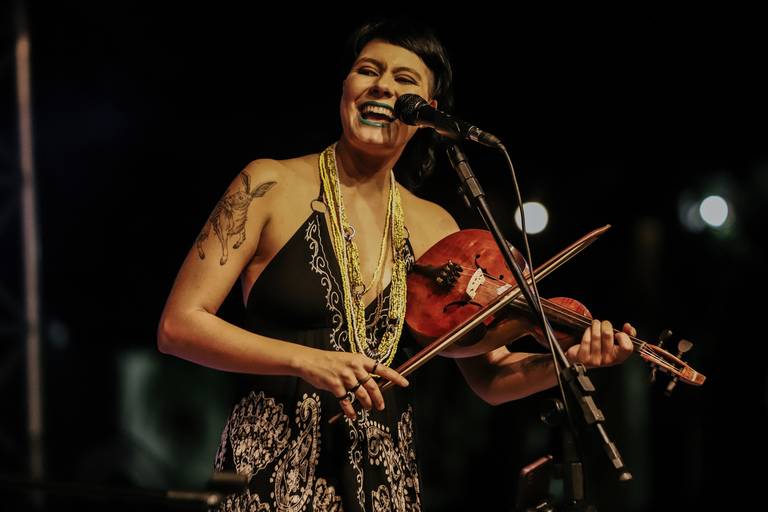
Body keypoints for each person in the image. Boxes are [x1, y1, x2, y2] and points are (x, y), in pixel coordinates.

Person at [157, 19, 634, 511]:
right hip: (267, 477)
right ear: (346, 87)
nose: (383, 85)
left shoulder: (436, 226)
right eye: (368, 70)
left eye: (405, 79)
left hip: (386, 486)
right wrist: (306, 360)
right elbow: (179, 326)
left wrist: (569, 361)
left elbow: (490, 378)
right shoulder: (268, 185)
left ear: (429, 113)